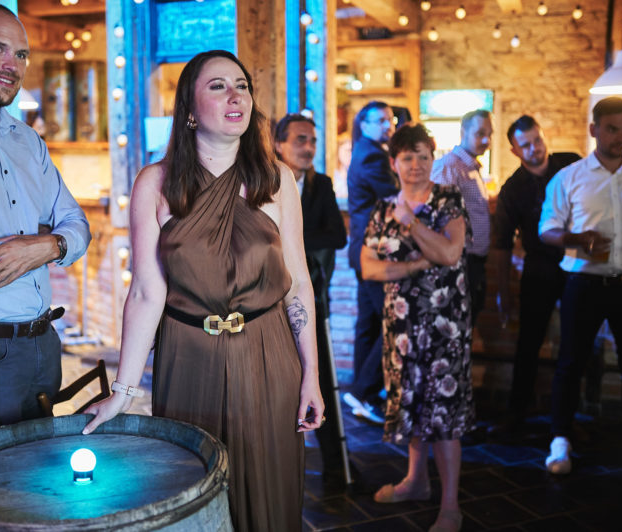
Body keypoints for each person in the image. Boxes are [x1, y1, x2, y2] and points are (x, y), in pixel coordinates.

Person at [82, 51, 325, 531]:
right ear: (190, 109)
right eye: (218, 86)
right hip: (187, 356)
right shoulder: (156, 183)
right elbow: (147, 291)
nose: (236, 96)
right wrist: (123, 392)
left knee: (269, 491)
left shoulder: (278, 178)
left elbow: (298, 282)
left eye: (242, 86)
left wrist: (310, 375)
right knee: (194, 490)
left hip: (268, 353)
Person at [0, 2, 91, 437]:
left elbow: (77, 225)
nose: (12, 65)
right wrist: (43, 244)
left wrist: (46, 245)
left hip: (44, 344)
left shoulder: (28, 141)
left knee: (42, 469)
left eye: (21, 54)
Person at [540, 97, 622, 482]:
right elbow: (547, 229)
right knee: (570, 363)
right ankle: (560, 439)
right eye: (611, 129)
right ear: (594, 130)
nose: (620, 137)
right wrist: (578, 238)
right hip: (583, 283)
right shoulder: (569, 177)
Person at [362, 124, 473, 532]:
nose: (415, 165)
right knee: (412, 402)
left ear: (432, 158)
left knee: (443, 412)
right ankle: (416, 481)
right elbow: (368, 267)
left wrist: (411, 224)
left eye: (423, 156)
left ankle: (450, 505)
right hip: (402, 325)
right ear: (394, 163)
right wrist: (415, 265)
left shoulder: (448, 199)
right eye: (407, 157)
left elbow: (450, 252)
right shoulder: (382, 209)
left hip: (445, 328)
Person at [492, 115, 580, 432]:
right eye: (526, 145)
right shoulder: (512, 189)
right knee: (529, 342)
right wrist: (503, 293)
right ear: (514, 150)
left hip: (577, 264)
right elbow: (502, 244)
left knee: (576, 341)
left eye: (537, 140)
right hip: (539, 267)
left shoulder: (570, 164)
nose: (534, 148)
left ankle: (568, 418)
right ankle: (517, 412)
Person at [274, 113, 348, 491]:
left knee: (319, 378)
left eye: (312, 141)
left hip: (311, 295)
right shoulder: (266, 182)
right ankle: (282, 466)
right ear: (279, 144)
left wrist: (291, 243)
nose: (308, 148)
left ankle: (336, 467)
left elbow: (337, 236)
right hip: (271, 300)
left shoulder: (322, 185)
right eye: (300, 140)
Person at [345, 101, 399, 425]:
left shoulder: (368, 150)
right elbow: (396, 196)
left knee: (369, 323)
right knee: (394, 321)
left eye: (390, 120)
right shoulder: (372, 156)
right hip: (373, 252)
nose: (387, 125)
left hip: (364, 251)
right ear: (363, 124)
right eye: (380, 120)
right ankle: (363, 391)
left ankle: (361, 396)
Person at [430, 109, 493, 326]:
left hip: (473, 261)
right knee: (455, 325)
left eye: (490, 134)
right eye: (480, 133)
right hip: (458, 262)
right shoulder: (450, 166)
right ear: (463, 132)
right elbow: (437, 217)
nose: (486, 140)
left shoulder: (470, 167)